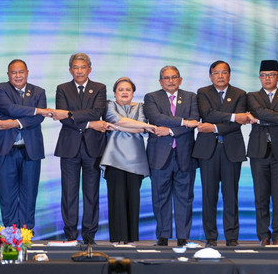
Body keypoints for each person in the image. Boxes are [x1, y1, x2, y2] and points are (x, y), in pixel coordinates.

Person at [49, 53, 111, 245]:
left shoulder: (99, 88)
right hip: (69, 147)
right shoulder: (62, 89)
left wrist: (69, 113)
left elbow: (97, 111)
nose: (79, 71)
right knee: (69, 193)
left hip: (93, 148)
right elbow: (64, 120)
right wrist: (90, 124)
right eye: (75, 67)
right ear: (70, 70)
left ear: (89, 69)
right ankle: (70, 234)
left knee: (91, 193)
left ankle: (89, 234)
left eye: (83, 67)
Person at [192, 61, 253, 247]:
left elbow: (238, 123)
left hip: (231, 150)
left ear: (229, 75)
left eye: (224, 72)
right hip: (208, 151)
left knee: (231, 195)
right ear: (210, 76)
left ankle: (232, 237)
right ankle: (210, 237)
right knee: (208, 195)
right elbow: (207, 114)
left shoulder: (240, 94)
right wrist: (233, 116)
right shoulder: (203, 92)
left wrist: (215, 127)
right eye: (216, 73)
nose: (220, 76)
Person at [0, 59, 48, 229]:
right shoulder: (0, 89)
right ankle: (10, 233)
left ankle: (26, 232)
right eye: (14, 72)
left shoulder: (39, 91)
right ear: (8, 74)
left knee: (29, 193)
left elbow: (38, 119)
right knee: (7, 194)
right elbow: (9, 108)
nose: (18, 76)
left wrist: (15, 123)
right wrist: (36, 110)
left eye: (21, 72)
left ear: (27, 73)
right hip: (6, 149)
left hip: (31, 150)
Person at [143, 66, 200, 247]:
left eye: (174, 77)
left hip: (185, 154)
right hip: (159, 156)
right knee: (160, 197)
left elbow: (195, 120)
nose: (170, 81)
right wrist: (184, 122)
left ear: (180, 80)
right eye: (166, 78)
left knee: (185, 197)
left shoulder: (191, 97)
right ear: (160, 81)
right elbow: (156, 118)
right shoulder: (151, 97)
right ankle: (163, 236)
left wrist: (170, 131)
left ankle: (183, 237)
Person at [100, 77, 156, 244]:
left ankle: (131, 240)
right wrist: (125, 125)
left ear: (133, 93)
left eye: (128, 90)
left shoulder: (141, 107)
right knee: (116, 200)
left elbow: (142, 126)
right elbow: (118, 119)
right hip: (114, 158)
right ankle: (118, 239)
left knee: (133, 200)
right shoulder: (109, 105)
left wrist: (117, 128)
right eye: (121, 90)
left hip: (136, 160)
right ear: (114, 93)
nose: (124, 92)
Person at [246, 60, 278, 246]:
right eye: (264, 75)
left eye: (271, 75)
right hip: (258, 152)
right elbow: (259, 111)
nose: (267, 78)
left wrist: (259, 120)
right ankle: (263, 236)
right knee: (261, 197)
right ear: (259, 77)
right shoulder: (252, 96)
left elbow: (263, 115)